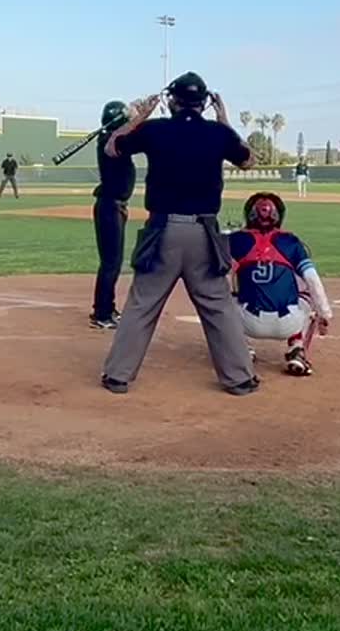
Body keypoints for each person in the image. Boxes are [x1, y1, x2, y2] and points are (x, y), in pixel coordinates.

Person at [100, 72, 258, 396]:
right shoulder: (217, 133)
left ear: (171, 100)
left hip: (163, 231)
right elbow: (249, 160)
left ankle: (118, 375)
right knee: (218, 305)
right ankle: (239, 378)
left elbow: (112, 148)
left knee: (142, 304)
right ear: (204, 103)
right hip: (204, 233)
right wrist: (225, 120)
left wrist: (138, 118)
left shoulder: (155, 129)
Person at [229, 192, 334, 376]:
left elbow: (219, 273)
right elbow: (312, 280)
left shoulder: (236, 240)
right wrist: (325, 314)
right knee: (307, 296)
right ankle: (297, 349)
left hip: (248, 322)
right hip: (288, 323)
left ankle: (243, 348)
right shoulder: (291, 242)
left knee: (227, 298)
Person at [90, 100, 139, 329]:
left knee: (113, 262)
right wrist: (139, 116)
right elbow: (128, 135)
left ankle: (106, 308)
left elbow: (132, 133)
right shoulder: (109, 140)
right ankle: (102, 313)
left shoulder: (111, 138)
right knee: (111, 262)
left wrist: (135, 117)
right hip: (109, 206)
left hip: (114, 206)